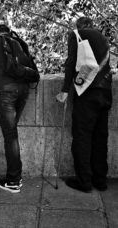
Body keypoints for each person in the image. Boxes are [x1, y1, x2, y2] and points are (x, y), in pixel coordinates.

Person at [56, 17, 112, 192]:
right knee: (100, 138)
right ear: (92, 25)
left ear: (78, 26)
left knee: (82, 137)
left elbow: (71, 62)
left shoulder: (76, 34)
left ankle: (84, 182)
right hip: (105, 92)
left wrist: (65, 90)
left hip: (87, 93)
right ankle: (100, 181)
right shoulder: (103, 38)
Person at [0, 24, 31, 193]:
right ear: (8, 33)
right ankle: (16, 175)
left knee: (10, 136)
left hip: (5, 91)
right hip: (23, 90)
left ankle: (13, 180)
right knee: (12, 135)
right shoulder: (17, 42)